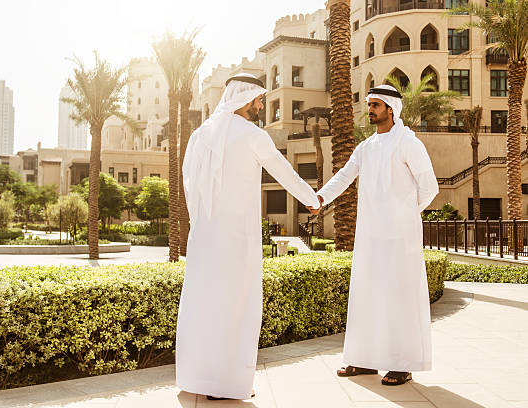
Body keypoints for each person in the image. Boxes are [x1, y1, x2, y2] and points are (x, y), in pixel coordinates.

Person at [176, 73, 320, 400]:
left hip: (205, 237)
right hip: (238, 239)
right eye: (258, 100)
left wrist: (200, 221)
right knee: (236, 306)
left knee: (204, 303)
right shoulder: (252, 135)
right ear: (245, 99)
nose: (260, 107)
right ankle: (226, 383)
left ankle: (198, 377)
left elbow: (188, 182)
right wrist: (312, 200)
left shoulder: (201, 135)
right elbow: (284, 171)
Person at [313, 84, 439, 386]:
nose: (369, 110)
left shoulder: (409, 143)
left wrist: (405, 215)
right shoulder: (367, 147)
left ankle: (402, 363)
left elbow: (429, 187)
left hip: (401, 237)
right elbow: (345, 174)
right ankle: (365, 361)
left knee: (399, 297)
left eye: (375, 105)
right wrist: (320, 198)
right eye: (369, 105)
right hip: (370, 236)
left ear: (391, 109)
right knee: (367, 294)